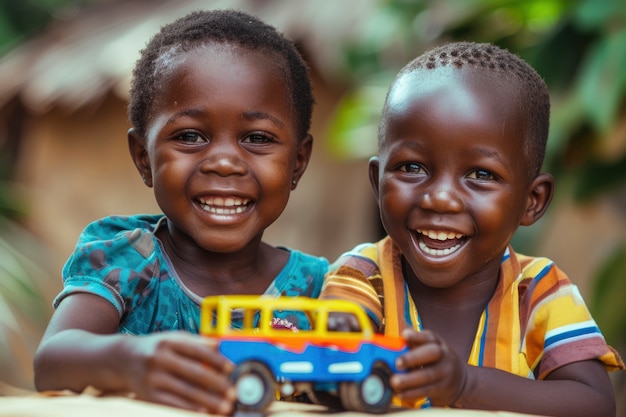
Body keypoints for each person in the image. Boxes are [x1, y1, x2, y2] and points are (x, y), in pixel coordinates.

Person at [33, 9, 328, 415]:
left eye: (257, 138)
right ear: (144, 158)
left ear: (298, 162)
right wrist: (133, 361)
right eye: (189, 136)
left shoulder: (320, 288)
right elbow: (52, 360)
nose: (224, 162)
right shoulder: (129, 262)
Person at [320, 41, 624, 417]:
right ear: (376, 180)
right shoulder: (363, 276)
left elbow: (594, 404)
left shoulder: (537, 291)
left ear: (532, 200)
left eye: (481, 175)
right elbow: (332, 371)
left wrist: (465, 384)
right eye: (412, 167)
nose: (440, 199)